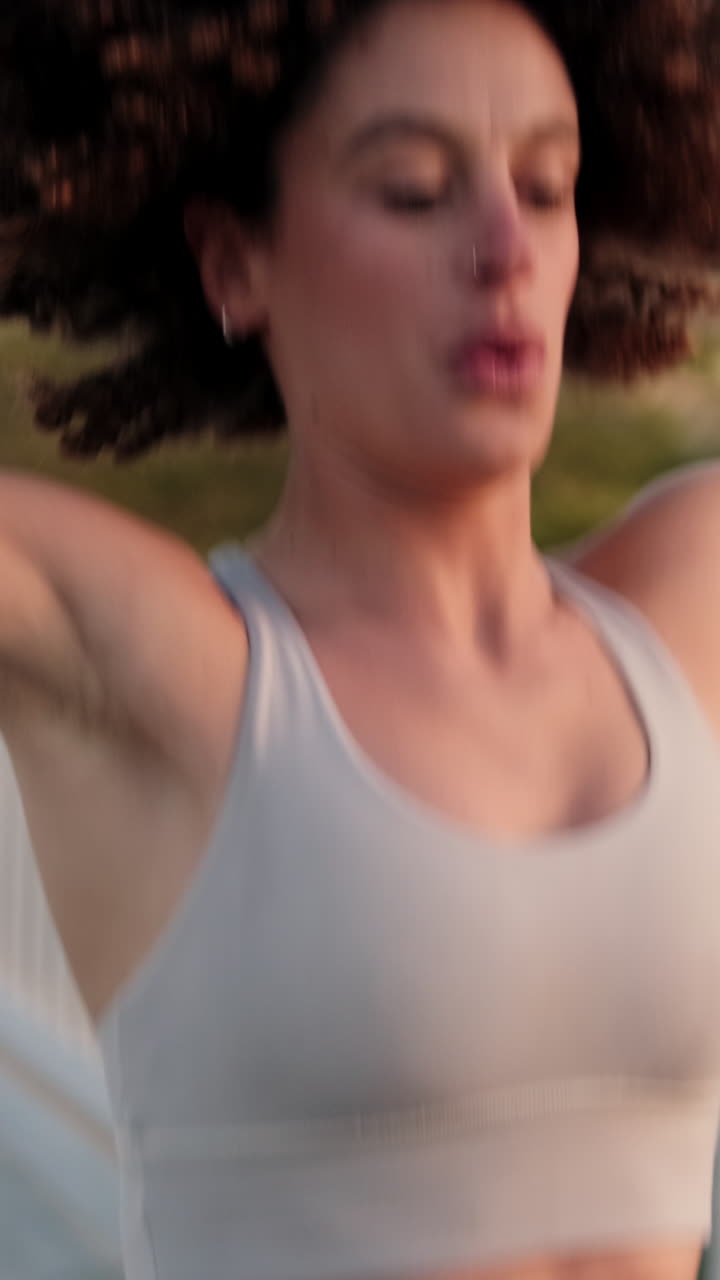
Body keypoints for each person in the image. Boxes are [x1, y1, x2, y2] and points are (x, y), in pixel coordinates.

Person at [1, 0, 720, 1277]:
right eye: (412, 191)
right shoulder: (165, 674)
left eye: (547, 186)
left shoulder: (685, 610)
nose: (505, 247)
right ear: (233, 263)